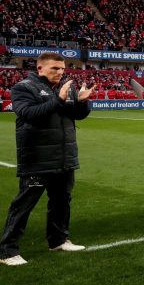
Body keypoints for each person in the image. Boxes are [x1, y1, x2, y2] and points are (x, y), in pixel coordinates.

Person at [0, 52, 95, 266]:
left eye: (62, 69)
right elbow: (28, 114)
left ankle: (58, 240)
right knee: (24, 203)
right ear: (40, 68)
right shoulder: (23, 87)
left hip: (64, 156)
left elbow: (76, 115)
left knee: (62, 201)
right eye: (55, 68)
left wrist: (81, 102)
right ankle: (7, 250)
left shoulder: (68, 87)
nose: (60, 72)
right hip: (37, 159)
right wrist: (58, 99)